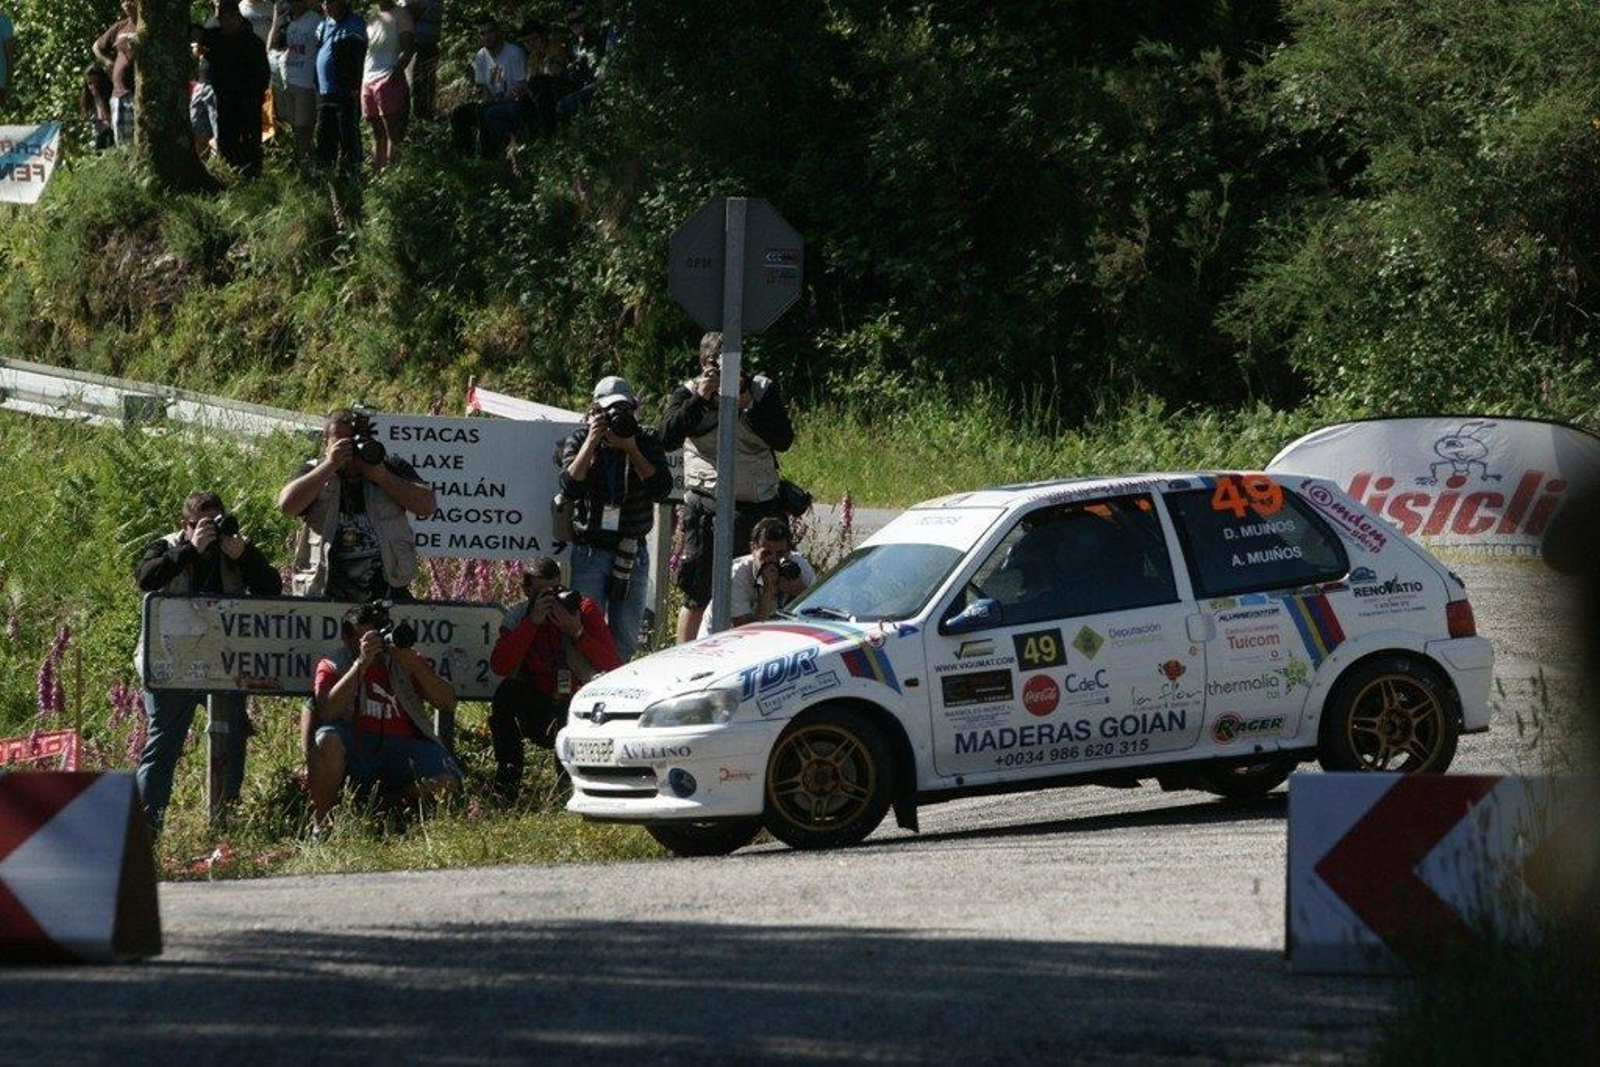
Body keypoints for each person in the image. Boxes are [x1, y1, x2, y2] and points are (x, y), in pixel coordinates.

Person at [133, 492, 282, 832]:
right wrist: (189, 550)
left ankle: (224, 816)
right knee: (163, 744)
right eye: (202, 524)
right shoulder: (167, 546)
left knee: (232, 736)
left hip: (222, 662)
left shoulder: (235, 548)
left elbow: (272, 587)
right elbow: (145, 577)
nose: (212, 532)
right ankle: (147, 828)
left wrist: (244, 556)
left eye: (216, 523)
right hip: (171, 662)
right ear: (184, 525)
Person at [661, 331, 795, 642]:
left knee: (769, 582)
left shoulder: (760, 390)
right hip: (708, 506)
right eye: (715, 365)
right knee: (698, 592)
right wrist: (699, 400)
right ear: (702, 364)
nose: (723, 373)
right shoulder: (688, 392)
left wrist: (747, 401)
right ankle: (684, 658)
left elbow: (783, 440)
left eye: (731, 364)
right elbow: (666, 437)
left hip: (759, 505)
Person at [307, 602, 461, 829]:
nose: (376, 645)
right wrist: (360, 665)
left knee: (447, 782)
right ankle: (321, 824)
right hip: (359, 745)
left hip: (406, 745)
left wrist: (414, 664)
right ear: (347, 639)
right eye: (366, 639)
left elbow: (448, 702)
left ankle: (379, 810)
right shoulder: (333, 663)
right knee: (326, 740)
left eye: (377, 636)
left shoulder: (403, 659)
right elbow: (328, 710)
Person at [557, 376, 673, 660]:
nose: (616, 417)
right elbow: (569, 485)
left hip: (632, 549)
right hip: (591, 550)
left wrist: (631, 448)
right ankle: (587, 681)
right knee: (585, 630)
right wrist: (592, 441)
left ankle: (617, 680)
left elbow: (661, 489)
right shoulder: (581, 438)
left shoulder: (645, 439)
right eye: (609, 410)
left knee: (626, 636)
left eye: (623, 409)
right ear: (595, 410)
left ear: (633, 408)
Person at [487, 556, 619, 799]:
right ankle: (507, 785)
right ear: (526, 591)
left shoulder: (583, 610)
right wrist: (532, 623)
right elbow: (500, 666)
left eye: (556, 590)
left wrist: (577, 632)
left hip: (576, 705)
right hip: (536, 705)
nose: (551, 599)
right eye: (542, 593)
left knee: (570, 708)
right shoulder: (517, 617)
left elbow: (613, 666)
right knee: (505, 696)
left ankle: (569, 789)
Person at [277, 408, 436, 601]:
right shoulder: (315, 470)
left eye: (355, 441)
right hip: (324, 593)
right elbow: (287, 506)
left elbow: (427, 506)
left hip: (388, 592)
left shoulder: (388, 466)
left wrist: (382, 477)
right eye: (342, 442)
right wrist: (330, 465)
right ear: (326, 443)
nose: (350, 449)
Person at [699, 517, 815, 636]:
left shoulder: (798, 566)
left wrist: (800, 591)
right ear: (753, 548)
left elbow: (818, 609)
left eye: (780, 554)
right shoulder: (737, 576)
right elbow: (747, 634)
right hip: (721, 638)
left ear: (789, 552)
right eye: (766, 553)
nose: (773, 560)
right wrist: (768, 591)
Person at [202, 1, 272, 178]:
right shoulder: (214, 39)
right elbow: (196, 34)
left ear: (238, 17)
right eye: (223, 18)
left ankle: (253, 175)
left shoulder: (253, 42)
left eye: (230, 17)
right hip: (225, 100)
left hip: (249, 100)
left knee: (250, 140)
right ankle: (231, 174)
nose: (227, 21)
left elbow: (264, 73)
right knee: (226, 139)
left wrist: (257, 95)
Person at [450, 18, 526, 157]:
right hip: (493, 101)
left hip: (513, 102)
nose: (487, 37)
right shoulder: (481, 56)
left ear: (497, 32)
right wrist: (488, 99)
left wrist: (504, 99)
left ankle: (488, 155)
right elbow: (484, 86)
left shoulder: (514, 53)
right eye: (483, 33)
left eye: (490, 32)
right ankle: (466, 156)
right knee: (459, 113)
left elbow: (522, 84)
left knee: (486, 112)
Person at [313, 0, 366, 180]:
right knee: (324, 135)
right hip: (324, 91)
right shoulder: (323, 25)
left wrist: (355, 85)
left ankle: (350, 176)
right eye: (325, 2)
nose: (327, 6)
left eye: (332, 2)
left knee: (347, 135)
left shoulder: (355, 24)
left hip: (345, 91)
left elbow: (358, 56)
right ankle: (324, 177)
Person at [361, 0, 413, 172]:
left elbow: (408, 49)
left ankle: (393, 176)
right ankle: (378, 175)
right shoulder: (372, 18)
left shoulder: (401, 14)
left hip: (388, 79)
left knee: (393, 133)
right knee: (376, 132)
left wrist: (393, 75)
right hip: (368, 79)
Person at [269, 0, 321, 163]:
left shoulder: (314, 20)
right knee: (294, 126)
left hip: (306, 81)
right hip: (290, 80)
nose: (293, 4)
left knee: (303, 126)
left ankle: (308, 162)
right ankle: (302, 161)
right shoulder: (291, 23)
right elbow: (278, 46)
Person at [92, 1, 138, 148]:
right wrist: (107, 61)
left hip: (139, 92)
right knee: (123, 142)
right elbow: (96, 46)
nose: (126, 3)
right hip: (119, 93)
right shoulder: (120, 26)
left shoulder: (147, 27)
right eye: (123, 1)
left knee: (141, 140)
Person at [399, 0, 442, 120]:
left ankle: (420, 119)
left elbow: (409, 13)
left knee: (420, 85)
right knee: (416, 85)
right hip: (415, 46)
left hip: (422, 46)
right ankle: (414, 119)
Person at [81, 65, 116, 150]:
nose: (93, 86)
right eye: (90, 83)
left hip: (112, 134)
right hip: (98, 136)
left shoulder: (112, 97)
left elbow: (111, 120)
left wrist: (100, 99)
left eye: (95, 82)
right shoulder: (89, 100)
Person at [0, 4, 16, 112]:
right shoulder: (4, 21)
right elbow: (10, 55)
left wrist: (8, 83)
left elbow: (9, 54)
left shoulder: (4, 21)